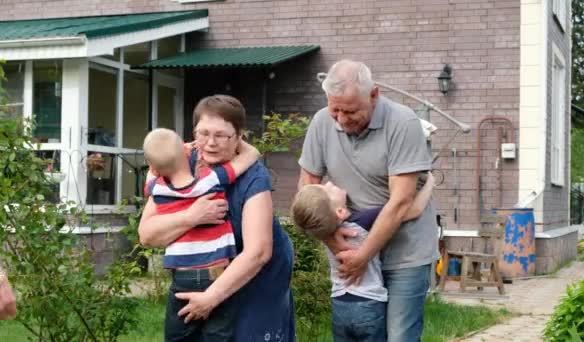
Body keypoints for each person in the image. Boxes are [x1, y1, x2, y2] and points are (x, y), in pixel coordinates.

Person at [298, 59, 440, 341]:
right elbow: (307, 188)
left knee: (399, 336)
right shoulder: (321, 122)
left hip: (405, 253)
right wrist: (336, 244)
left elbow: (401, 203)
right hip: (350, 249)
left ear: (374, 94)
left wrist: (363, 255)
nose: (340, 119)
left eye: (350, 111)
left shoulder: (403, 122)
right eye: (334, 109)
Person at [138, 95, 295, 342]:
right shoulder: (178, 163)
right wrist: (192, 216)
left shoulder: (254, 175)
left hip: (257, 273)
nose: (210, 143)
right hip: (210, 270)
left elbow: (258, 253)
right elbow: (147, 235)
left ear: (238, 137)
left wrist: (210, 298)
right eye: (203, 133)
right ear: (192, 134)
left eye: (221, 135)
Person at [142, 127, 260, 341]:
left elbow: (152, 173)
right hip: (217, 274)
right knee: (218, 334)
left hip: (182, 276)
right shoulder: (211, 180)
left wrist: (174, 153)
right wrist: (234, 137)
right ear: (185, 153)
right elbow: (251, 155)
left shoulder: (156, 189)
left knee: (179, 334)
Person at [291, 174, 434, 342]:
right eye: (328, 190)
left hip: (339, 305)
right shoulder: (361, 222)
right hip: (369, 304)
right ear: (340, 211)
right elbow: (412, 210)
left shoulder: (323, 232)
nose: (329, 182)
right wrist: (429, 183)